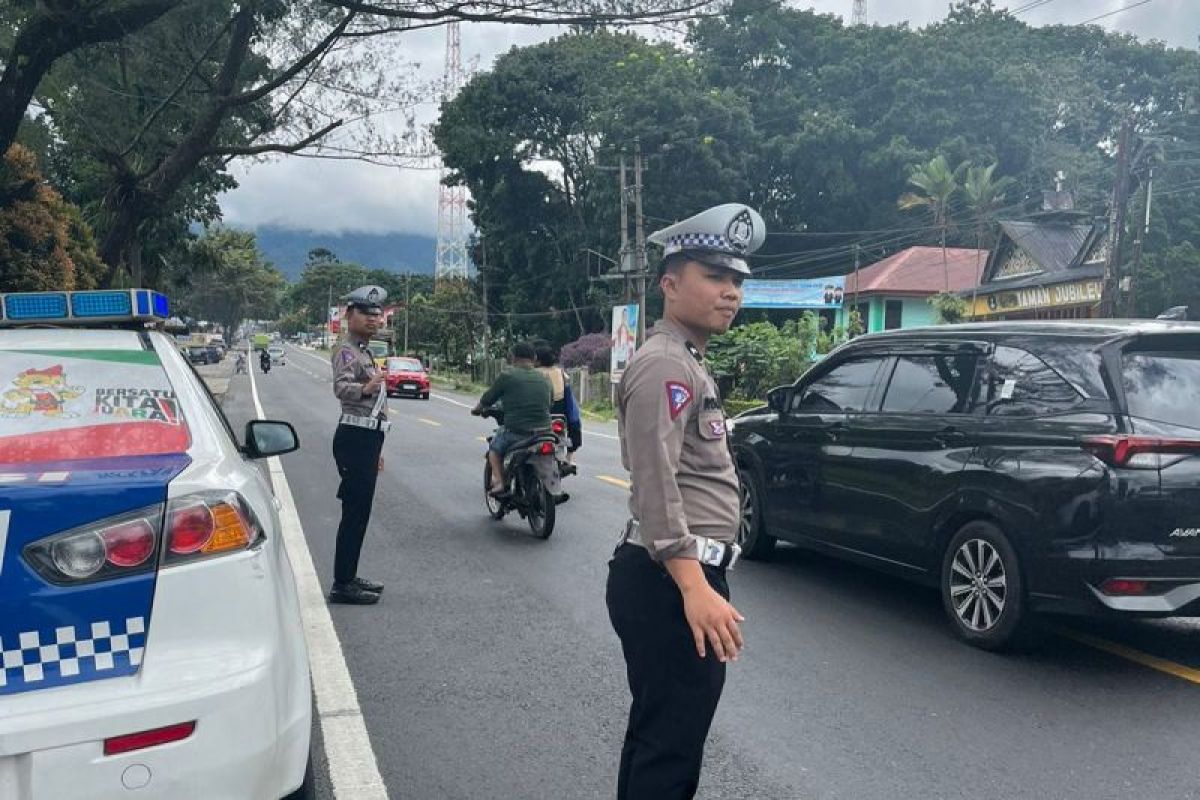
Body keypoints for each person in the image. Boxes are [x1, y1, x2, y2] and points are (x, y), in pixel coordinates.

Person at [607, 203, 765, 800]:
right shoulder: (666, 366)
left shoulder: (686, 362)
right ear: (670, 283)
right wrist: (694, 586)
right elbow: (655, 484)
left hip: (672, 576)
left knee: (659, 738)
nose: (730, 292)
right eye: (714, 276)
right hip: (670, 580)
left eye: (737, 281)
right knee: (670, 747)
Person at [329, 285, 390, 606]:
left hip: (367, 438)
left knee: (360, 512)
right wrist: (367, 386)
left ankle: (349, 576)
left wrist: (377, 450)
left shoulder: (364, 350)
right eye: (366, 313)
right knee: (354, 512)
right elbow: (342, 389)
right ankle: (342, 583)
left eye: (377, 314)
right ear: (349, 315)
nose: (374, 318)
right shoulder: (346, 350)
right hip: (354, 438)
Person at [470, 341, 551, 496]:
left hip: (517, 432)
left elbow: (487, 398)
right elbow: (550, 401)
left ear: (512, 357)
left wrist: (477, 410)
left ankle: (500, 482)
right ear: (533, 358)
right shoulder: (544, 378)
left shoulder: (507, 376)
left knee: (494, 449)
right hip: (544, 431)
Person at [534, 343, 582, 466]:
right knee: (575, 421)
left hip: (538, 413)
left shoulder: (533, 373)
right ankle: (569, 457)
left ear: (537, 360)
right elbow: (568, 398)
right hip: (559, 414)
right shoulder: (560, 373)